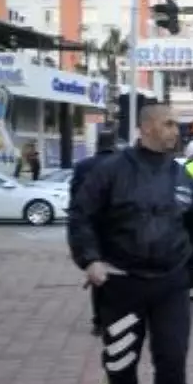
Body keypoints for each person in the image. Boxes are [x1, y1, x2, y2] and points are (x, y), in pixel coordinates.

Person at [67, 104, 193, 384]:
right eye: (167, 125)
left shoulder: (181, 177)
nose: (174, 132)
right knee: (120, 361)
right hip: (121, 284)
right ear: (146, 128)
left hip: (171, 284)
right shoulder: (110, 172)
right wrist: (90, 259)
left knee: (172, 362)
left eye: (176, 126)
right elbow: (81, 216)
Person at [70, 130, 119, 337]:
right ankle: (115, 317)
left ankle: (99, 320)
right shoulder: (121, 165)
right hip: (117, 225)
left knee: (96, 270)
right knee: (117, 272)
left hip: (92, 225)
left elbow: (75, 197)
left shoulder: (83, 166)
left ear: (97, 144)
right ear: (114, 144)